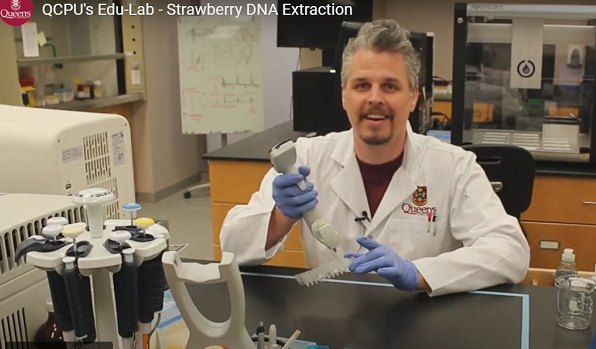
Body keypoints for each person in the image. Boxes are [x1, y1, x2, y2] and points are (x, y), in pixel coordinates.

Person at [220, 19, 530, 296]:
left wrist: (420, 273)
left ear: (413, 97)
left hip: (421, 326)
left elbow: (510, 251)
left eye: (390, 86)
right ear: (344, 95)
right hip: (333, 330)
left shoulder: (454, 167)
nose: (375, 98)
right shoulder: (303, 160)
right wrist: (280, 216)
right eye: (362, 85)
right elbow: (231, 246)